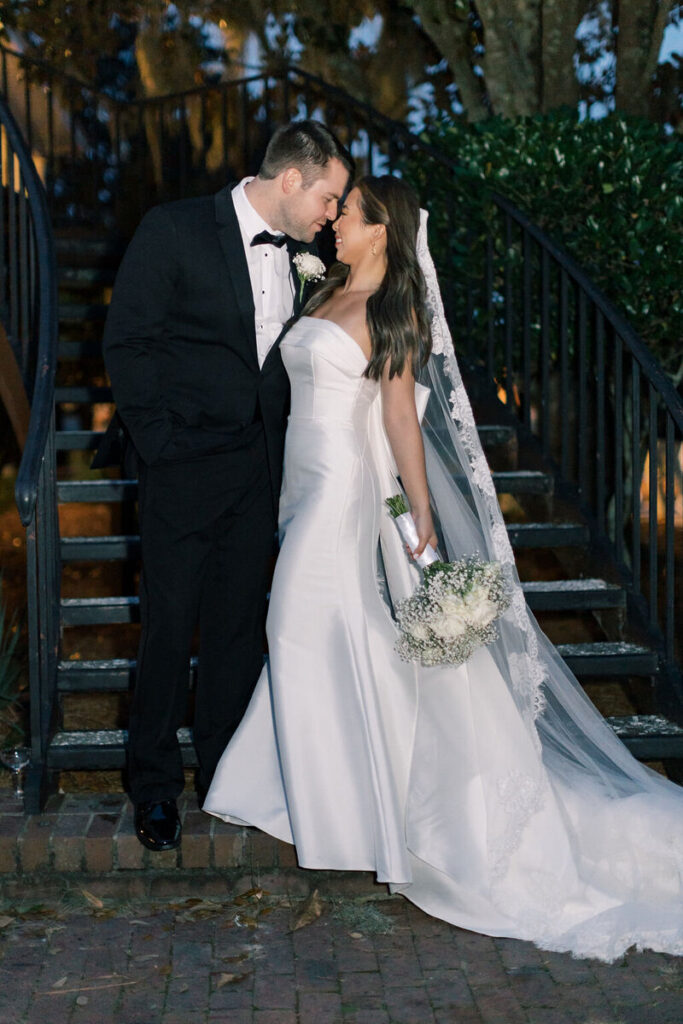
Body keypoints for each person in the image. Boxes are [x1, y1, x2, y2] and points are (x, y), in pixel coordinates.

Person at [204, 175, 683, 960]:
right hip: (300, 485)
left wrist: (418, 511)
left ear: (380, 231)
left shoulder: (390, 310)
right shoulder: (322, 290)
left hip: (342, 491)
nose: (333, 222)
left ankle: (350, 806)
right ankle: (345, 789)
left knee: (295, 623)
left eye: (347, 214)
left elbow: (398, 414)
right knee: (322, 631)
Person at [101, 121, 353, 852]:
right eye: (328, 198)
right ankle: (154, 784)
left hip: (261, 469)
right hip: (182, 466)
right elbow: (128, 342)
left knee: (237, 631)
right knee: (168, 627)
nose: (331, 215)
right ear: (290, 180)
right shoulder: (174, 229)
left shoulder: (309, 257)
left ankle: (224, 775)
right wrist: (162, 446)